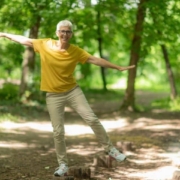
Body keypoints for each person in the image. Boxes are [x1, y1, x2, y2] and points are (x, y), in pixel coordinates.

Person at [0, 20, 135, 177]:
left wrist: (117, 67)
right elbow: (25, 40)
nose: (65, 34)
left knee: (92, 119)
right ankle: (63, 164)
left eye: (68, 32)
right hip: (53, 95)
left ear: (71, 34)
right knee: (58, 132)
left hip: (72, 91)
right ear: (57, 33)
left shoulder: (76, 51)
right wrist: (4, 34)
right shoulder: (45, 44)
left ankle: (111, 149)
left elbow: (94, 60)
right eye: (62, 31)